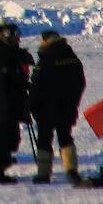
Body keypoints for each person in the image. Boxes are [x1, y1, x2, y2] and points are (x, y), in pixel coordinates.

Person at [28, 30, 86, 184]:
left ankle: (43, 173)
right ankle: (71, 170)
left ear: (46, 42)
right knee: (65, 137)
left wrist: (31, 105)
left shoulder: (45, 60)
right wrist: (74, 101)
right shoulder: (72, 58)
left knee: (44, 140)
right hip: (67, 107)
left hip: (46, 109)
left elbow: (36, 86)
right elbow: (81, 82)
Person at [0, 23, 34, 183]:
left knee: (7, 137)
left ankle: (0, 169)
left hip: (7, 103)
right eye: (16, 37)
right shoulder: (2, 55)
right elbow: (8, 82)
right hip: (5, 104)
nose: (19, 40)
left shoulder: (5, 53)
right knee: (1, 137)